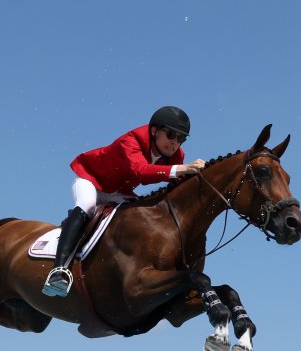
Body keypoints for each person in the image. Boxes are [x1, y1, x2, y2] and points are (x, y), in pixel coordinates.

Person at [42, 106, 206, 296]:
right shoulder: (131, 140)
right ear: (154, 131)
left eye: (181, 138)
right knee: (86, 207)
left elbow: (165, 182)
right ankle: (59, 270)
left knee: (142, 214)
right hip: (92, 181)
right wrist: (180, 170)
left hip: (119, 191)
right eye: (171, 135)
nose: (175, 143)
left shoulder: (177, 156)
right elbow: (140, 171)